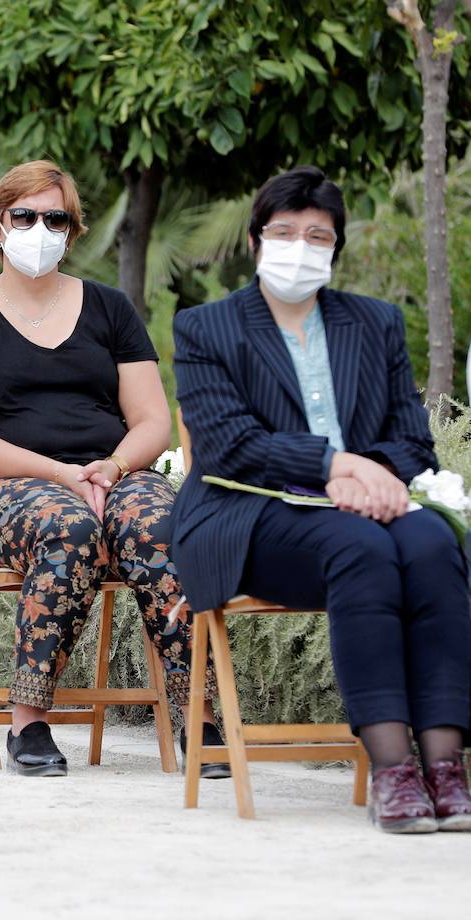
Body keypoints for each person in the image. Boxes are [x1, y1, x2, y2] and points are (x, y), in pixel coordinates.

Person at [172, 165, 471, 833]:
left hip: (372, 505)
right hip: (248, 515)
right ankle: (394, 769)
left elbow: (412, 436)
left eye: (317, 235)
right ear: (255, 241)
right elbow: (227, 445)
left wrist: (378, 478)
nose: (299, 247)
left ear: (335, 248)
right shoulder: (206, 329)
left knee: (431, 544)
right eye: (284, 232)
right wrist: (336, 465)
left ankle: (447, 767)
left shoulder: (375, 323)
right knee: (359, 548)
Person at [0, 160, 224, 778]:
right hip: (2, 493)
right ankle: (29, 719)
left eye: (55, 217)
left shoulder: (110, 309)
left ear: (73, 228)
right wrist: (63, 475)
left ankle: (200, 710)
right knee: (69, 528)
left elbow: (150, 420)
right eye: (25, 216)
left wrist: (110, 467)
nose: (40, 228)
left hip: (111, 476)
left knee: (162, 521)